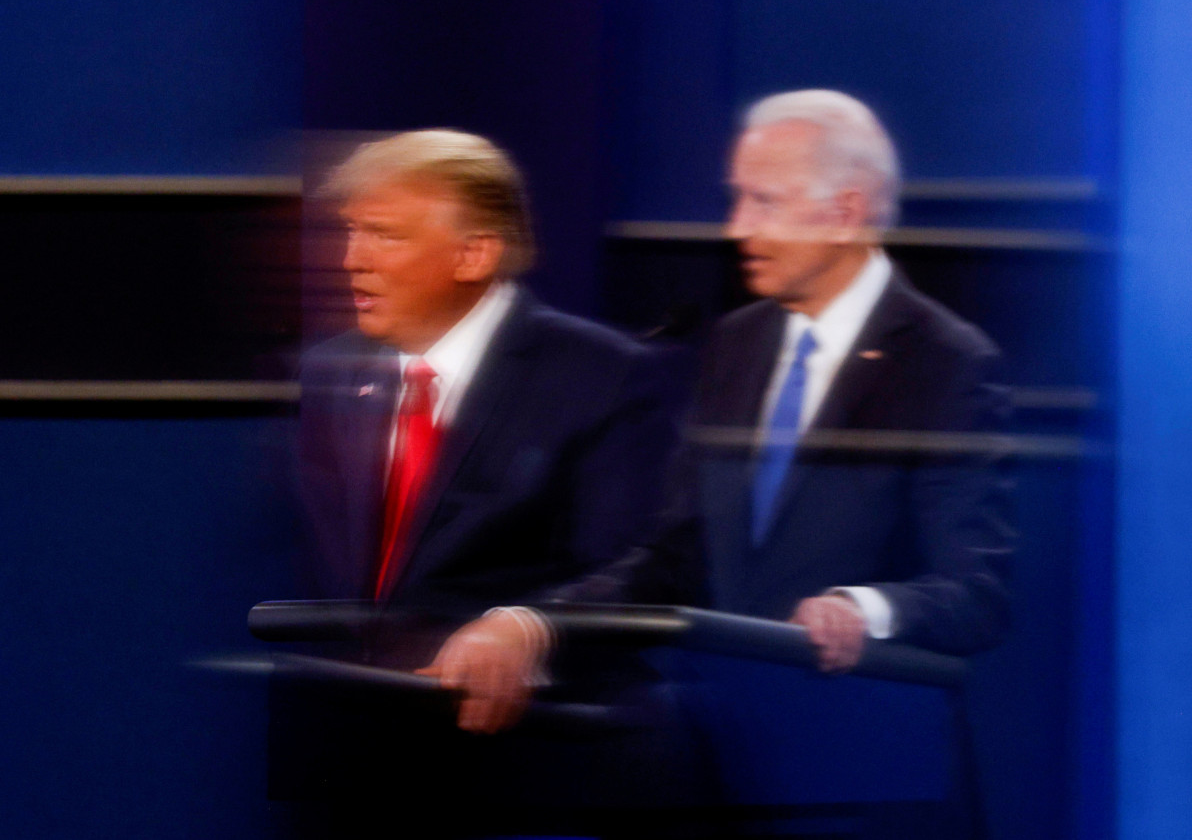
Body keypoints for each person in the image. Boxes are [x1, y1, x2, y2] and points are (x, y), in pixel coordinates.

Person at [440, 90, 1014, 750]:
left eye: (763, 201)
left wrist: (866, 609)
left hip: (868, 761)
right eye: (736, 198)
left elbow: (977, 591)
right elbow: (674, 554)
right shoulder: (733, 346)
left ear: (846, 211)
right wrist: (534, 623)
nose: (737, 227)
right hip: (730, 757)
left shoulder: (946, 363)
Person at [293, 128, 675, 728]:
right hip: (344, 733)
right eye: (351, 230)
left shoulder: (603, 375)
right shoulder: (330, 373)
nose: (352, 260)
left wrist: (529, 628)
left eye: (384, 234)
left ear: (474, 254)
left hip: (522, 737)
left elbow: (645, 564)